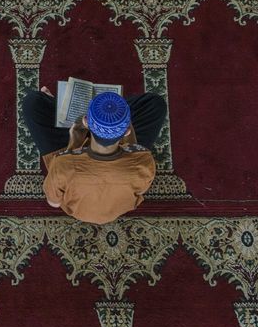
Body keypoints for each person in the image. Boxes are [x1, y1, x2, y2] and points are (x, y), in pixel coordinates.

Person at [20, 85, 167, 225]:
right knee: (156, 104)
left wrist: (74, 143)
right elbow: (140, 189)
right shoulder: (144, 160)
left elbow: (54, 203)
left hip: (76, 201)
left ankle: (86, 113)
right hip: (120, 194)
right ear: (128, 130)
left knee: (32, 102)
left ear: (86, 122)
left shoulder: (62, 164)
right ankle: (112, 118)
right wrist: (117, 125)